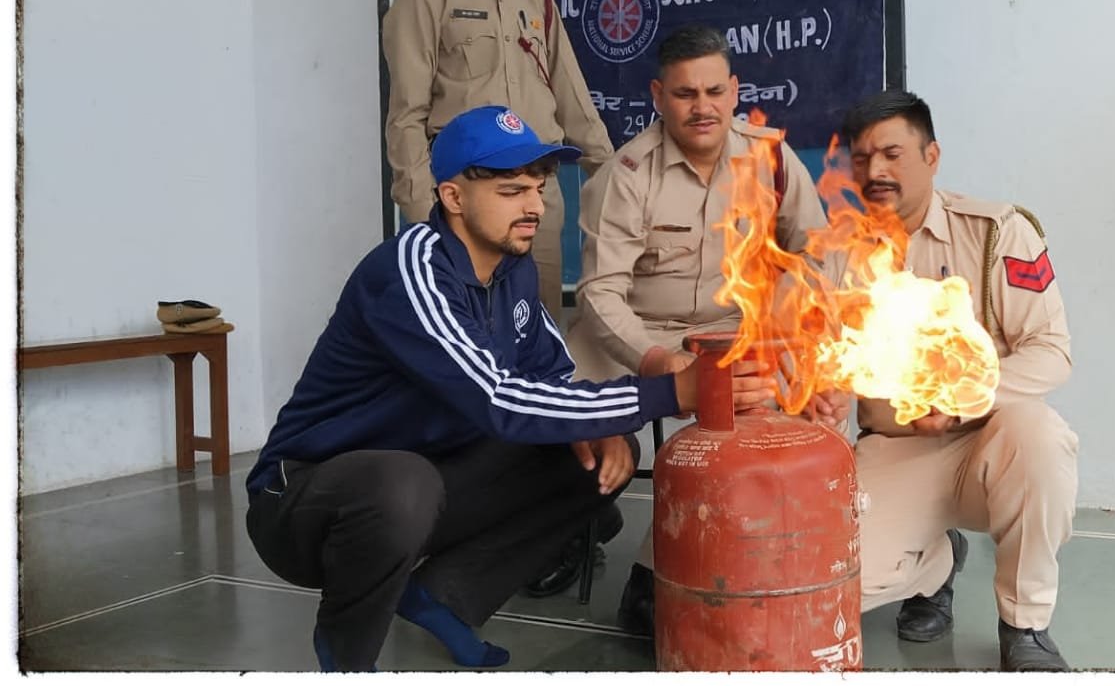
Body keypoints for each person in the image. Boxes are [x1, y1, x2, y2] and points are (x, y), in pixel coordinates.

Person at [244, 105, 773, 672]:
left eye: (539, 188)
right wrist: (669, 394)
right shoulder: (409, 270)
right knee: (404, 483)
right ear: (453, 198)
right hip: (303, 501)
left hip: (427, 476)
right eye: (512, 190)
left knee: (595, 456)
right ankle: (345, 656)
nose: (534, 207)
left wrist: (608, 426)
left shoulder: (510, 265)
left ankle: (442, 598)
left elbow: (548, 373)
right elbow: (497, 398)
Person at [565, 23, 841, 637]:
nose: (703, 107)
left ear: (735, 90)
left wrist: (780, 322)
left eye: (715, 91)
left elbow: (818, 251)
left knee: (790, 409)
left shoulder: (770, 157)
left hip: (735, 330)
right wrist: (655, 358)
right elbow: (599, 293)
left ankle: (661, 571)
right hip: (638, 330)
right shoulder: (626, 172)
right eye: (686, 94)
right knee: (567, 416)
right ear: (659, 95)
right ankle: (572, 527)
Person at [833, 88, 1078, 672]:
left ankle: (1027, 627)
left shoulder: (997, 233)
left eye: (892, 153)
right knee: (832, 580)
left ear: (932, 155)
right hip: (895, 447)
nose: (876, 171)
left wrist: (961, 399)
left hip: (992, 438)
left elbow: (1051, 351)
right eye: (862, 158)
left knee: (1040, 438)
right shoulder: (839, 251)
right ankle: (936, 564)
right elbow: (832, 364)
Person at [382, 0, 614, 322]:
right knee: (470, 335)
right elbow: (406, 117)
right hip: (467, 199)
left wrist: (616, 186)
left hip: (539, 195)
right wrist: (426, 218)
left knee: (539, 329)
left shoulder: (537, 0)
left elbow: (576, 108)